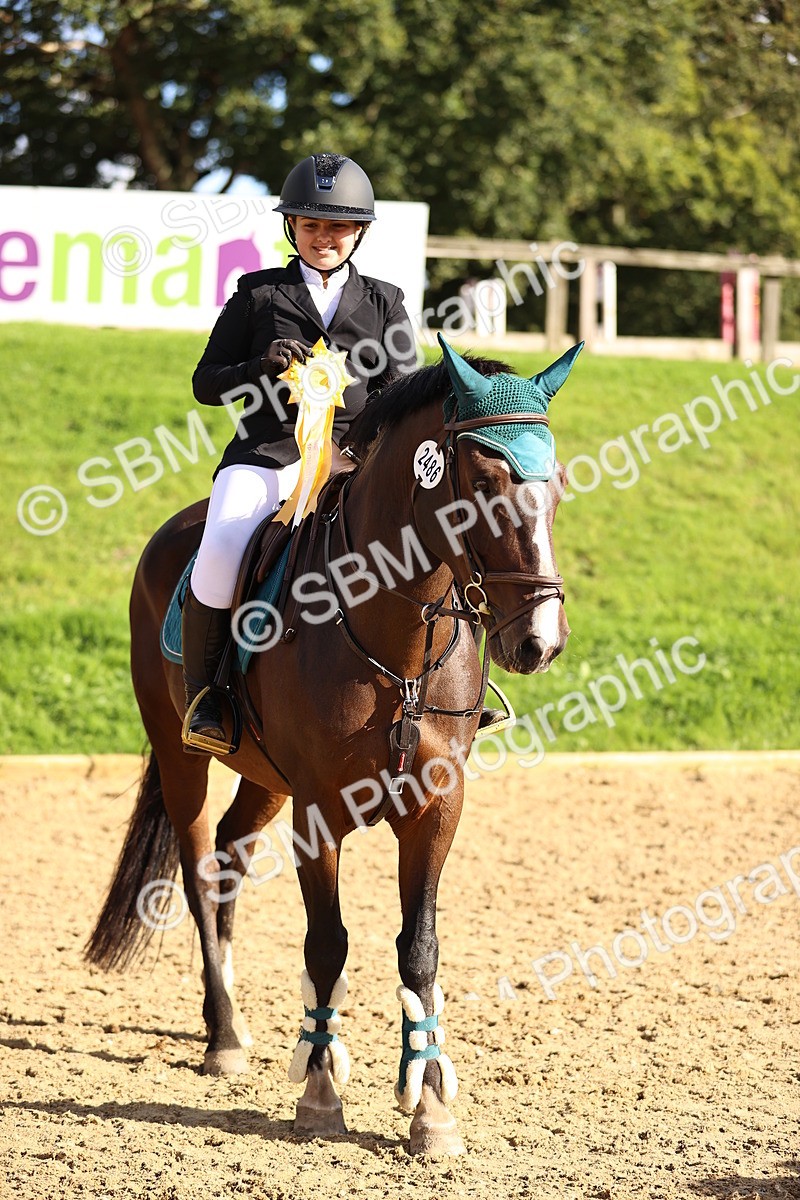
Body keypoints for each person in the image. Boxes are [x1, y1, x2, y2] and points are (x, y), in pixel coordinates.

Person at [182, 152, 417, 752]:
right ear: (293, 228)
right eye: (311, 225)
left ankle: (455, 692)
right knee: (219, 550)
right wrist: (257, 367)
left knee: (438, 538)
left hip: (354, 464)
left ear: (358, 231)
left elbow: (403, 393)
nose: (324, 238)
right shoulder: (259, 295)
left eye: (337, 226)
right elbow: (205, 384)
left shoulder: (385, 302)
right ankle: (207, 699)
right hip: (267, 456)